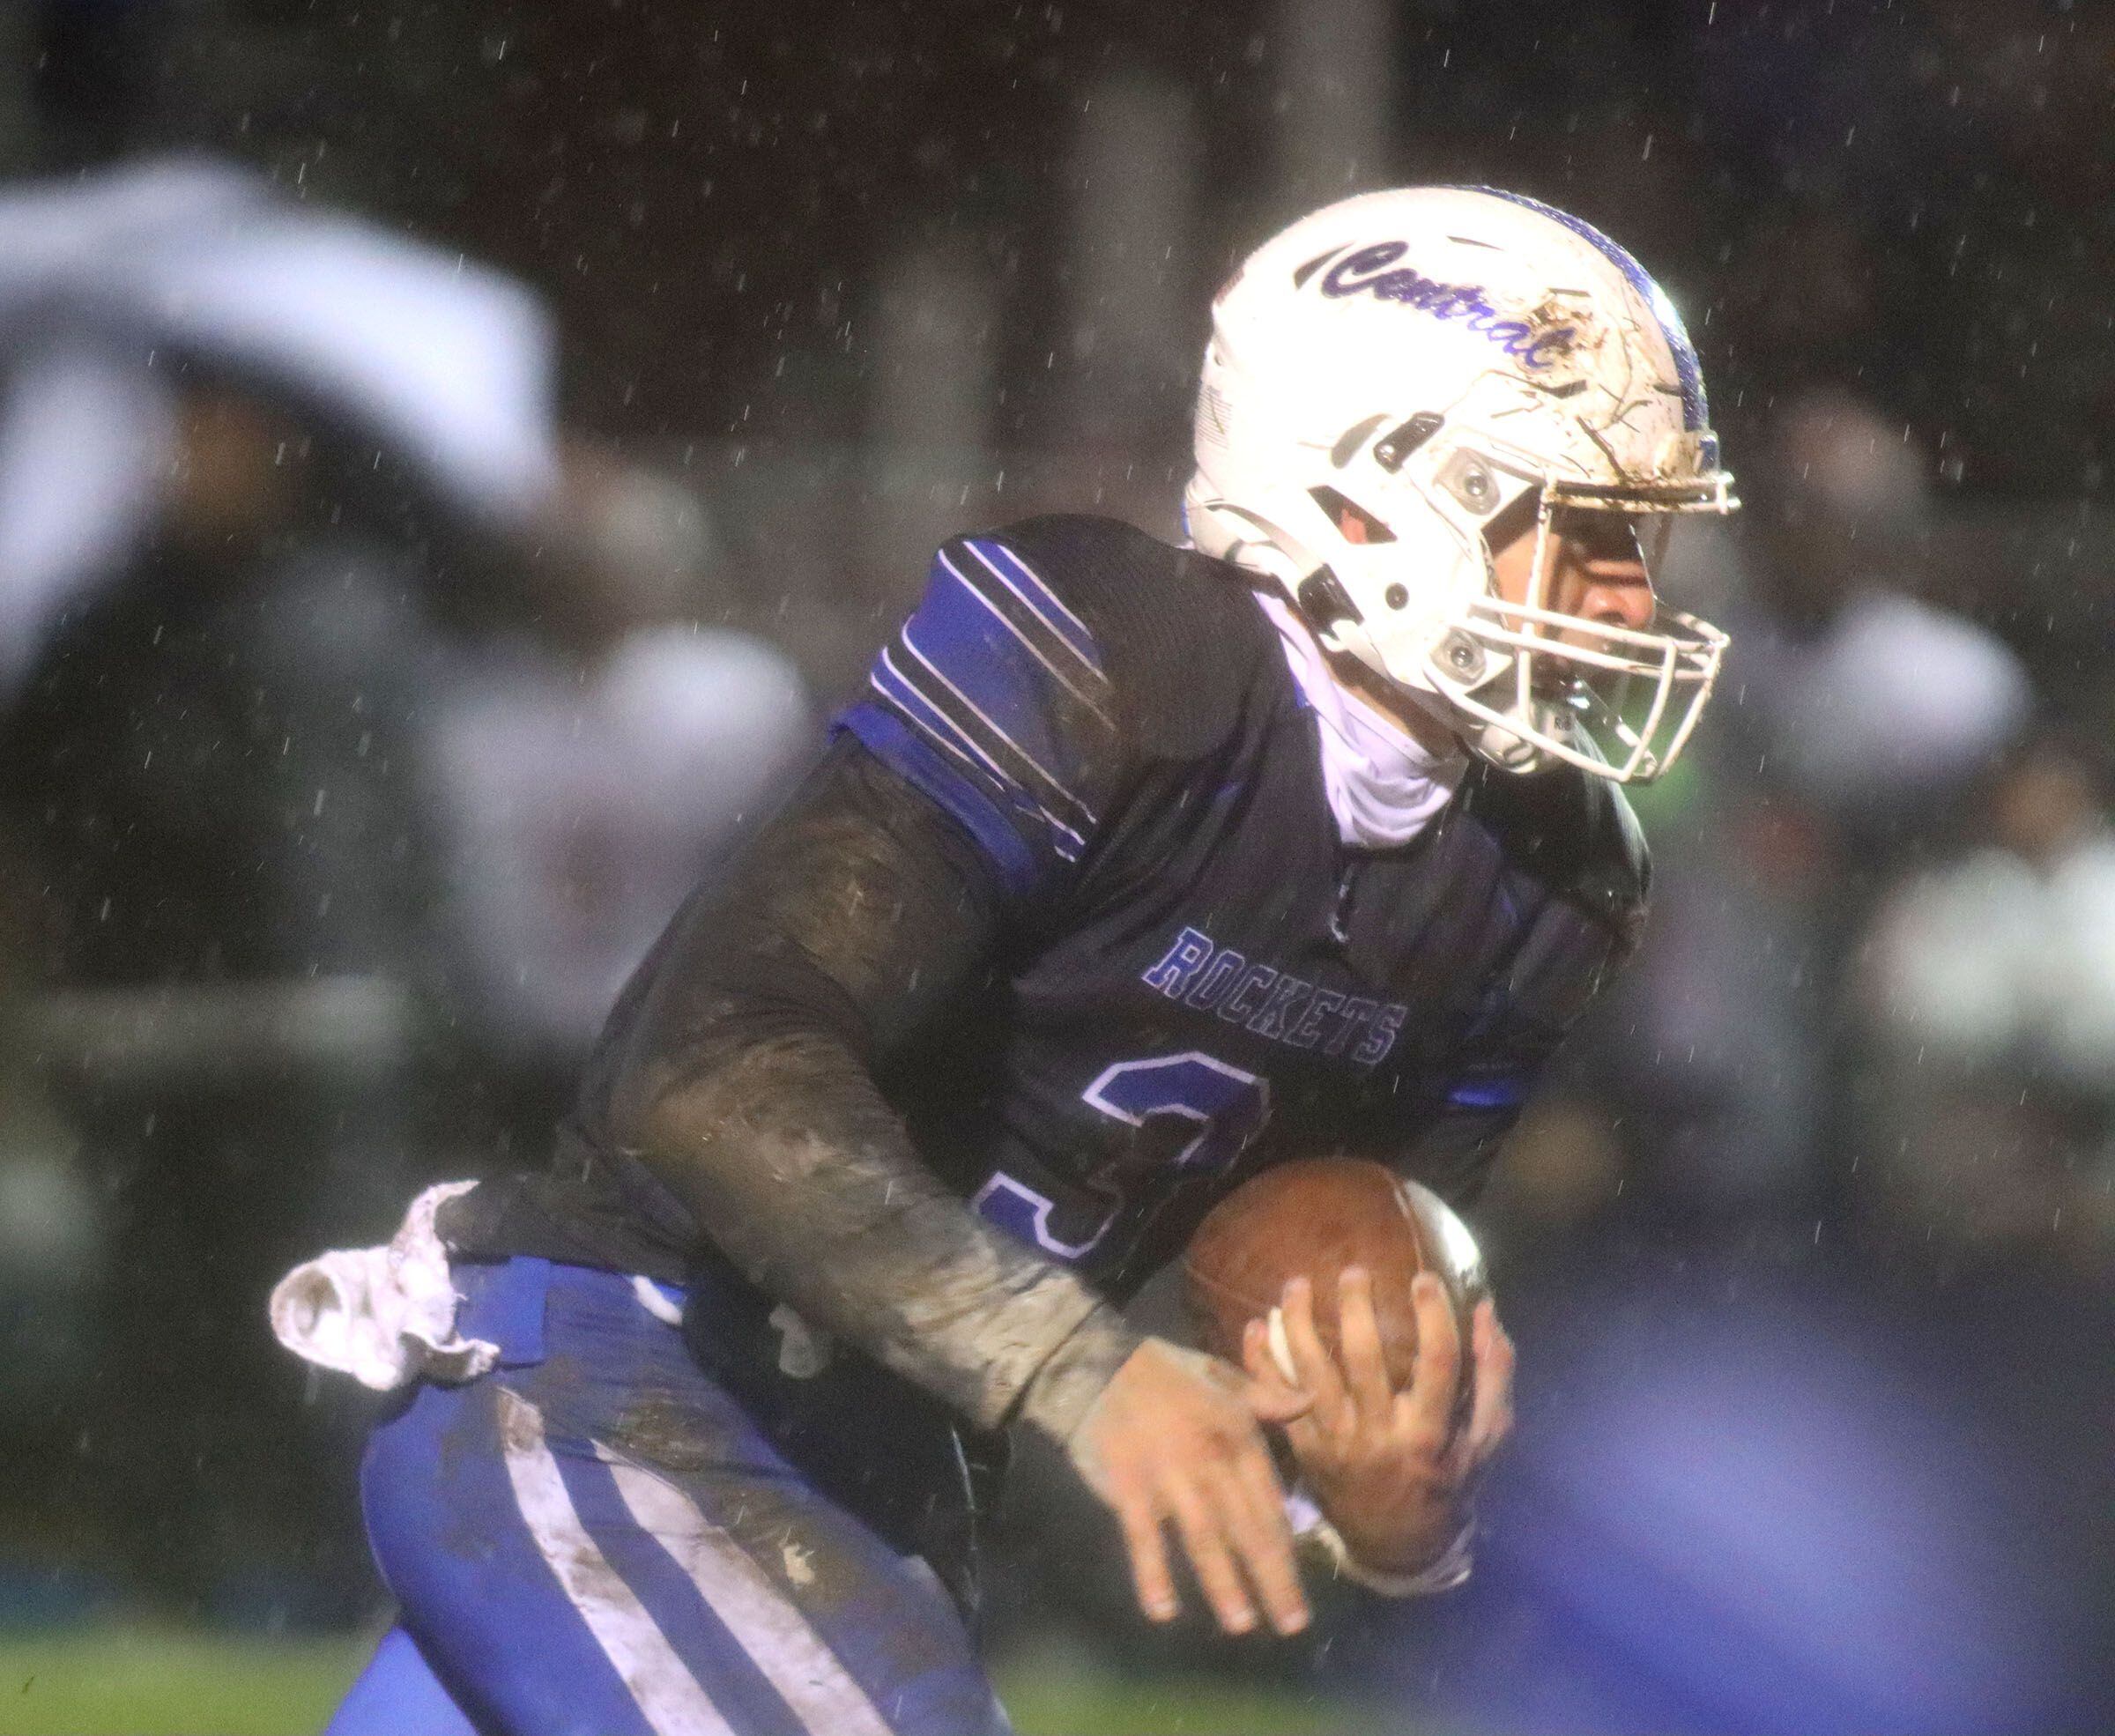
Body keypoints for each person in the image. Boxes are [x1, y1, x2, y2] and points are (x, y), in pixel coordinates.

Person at [285, 185, 1738, 1735]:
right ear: (1376, 496)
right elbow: (704, 1071)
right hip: (624, 1383)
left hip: (875, 1486)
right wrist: (1074, 1366)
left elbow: (1269, 1345)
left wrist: (1387, 1513)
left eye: (1638, 542)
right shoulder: (1123, 657)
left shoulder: (1543, 879)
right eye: (1582, 531)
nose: (1633, 597)